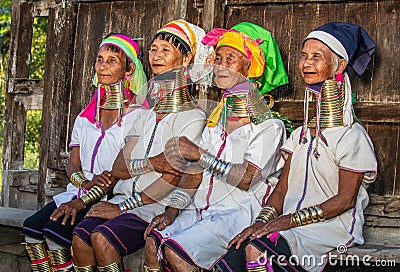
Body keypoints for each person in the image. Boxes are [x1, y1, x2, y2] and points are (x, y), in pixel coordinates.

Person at [217, 22, 378, 272]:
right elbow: (282, 189)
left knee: (257, 250)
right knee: (234, 252)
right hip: (288, 225)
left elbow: (345, 200)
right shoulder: (301, 135)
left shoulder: (351, 136)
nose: (306, 64)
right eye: (304, 56)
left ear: (341, 65)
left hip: (329, 228)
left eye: (317, 57)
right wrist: (261, 222)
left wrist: (287, 222)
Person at [143, 22, 289, 272]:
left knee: (176, 253)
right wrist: (172, 210)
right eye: (218, 58)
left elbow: (246, 179)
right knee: (152, 241)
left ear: (251, 67)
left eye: (230, 59)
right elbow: (195, 171)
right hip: (201, 209)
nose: (220, 65)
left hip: (236, 214)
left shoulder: (268, 126)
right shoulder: (215, 122)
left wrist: (200, 154)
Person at [71, 19, 213, 272]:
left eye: (165, 50)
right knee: (80, 237)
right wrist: (153, 163)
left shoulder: (193, 117)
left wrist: (122, 207)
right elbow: (118, 168)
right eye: (153, 49)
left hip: (152, 205)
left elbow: (174, 174)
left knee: (101, 239)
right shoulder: (146, 115)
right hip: (124, 195)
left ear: (187, 58)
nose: (156, 56)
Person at [21, 33, 147, 272]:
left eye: (112, 60)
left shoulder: (137, 117)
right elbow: (72, 163)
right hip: (80, 190)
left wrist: (85, 198)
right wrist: (84, 182)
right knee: (31, 229)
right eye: (100, 59)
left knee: (55, 236)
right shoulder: (85, 117)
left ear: (128, 69)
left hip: (111, 195)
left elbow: (119, 172)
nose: (103, 66)